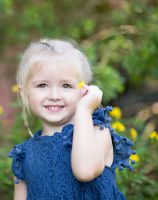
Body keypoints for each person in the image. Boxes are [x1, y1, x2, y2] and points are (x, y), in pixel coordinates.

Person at [9, 38, 135, 200]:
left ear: (83, 91)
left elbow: (85, 171)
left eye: (66, 86)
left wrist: (84, 109)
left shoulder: (97, 132)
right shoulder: (24, 155)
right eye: (42, 85)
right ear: (24, 94)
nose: (54, 96)